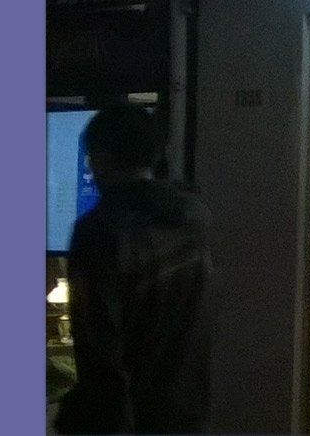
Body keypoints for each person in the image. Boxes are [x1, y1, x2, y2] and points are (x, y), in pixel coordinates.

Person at [56, 104, 212, 434]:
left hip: (128, 420)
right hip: (187, 413)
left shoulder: (101, 230)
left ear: (99, 158)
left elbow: (98, 350)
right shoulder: (195, 218)